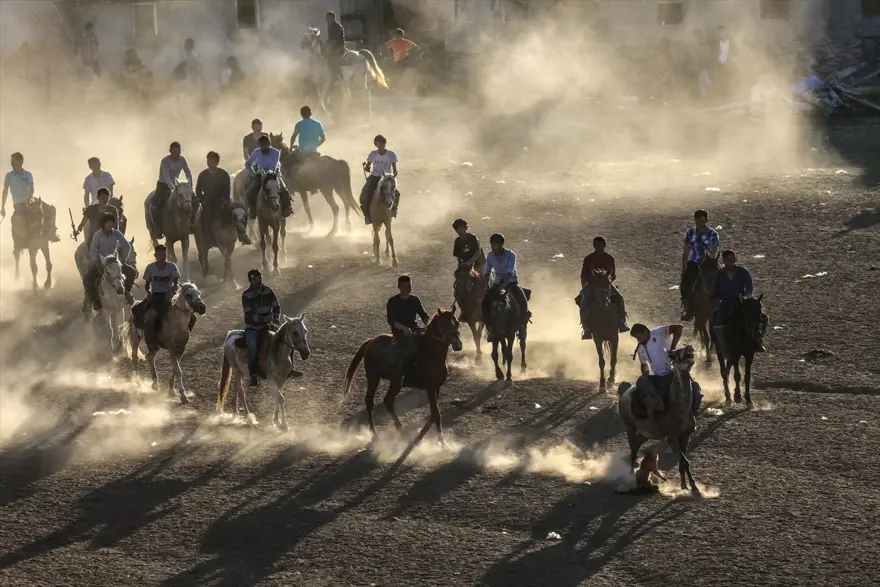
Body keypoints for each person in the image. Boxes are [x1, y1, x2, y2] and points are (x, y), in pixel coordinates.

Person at [630, 323, 701, 418]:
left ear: (645, 332)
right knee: (640, 382)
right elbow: (644, 364)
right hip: (657, 376)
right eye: (636, 338)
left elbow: (679, 327)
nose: (638, 340)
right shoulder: (640, 348)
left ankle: (692, 413)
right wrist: (645, 376)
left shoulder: (658, 332)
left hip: (673, 373)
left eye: (638, 337)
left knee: (695, 389)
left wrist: (673, 347)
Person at [710, 249, 766, 353]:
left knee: (762, 317)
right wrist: (715, 298)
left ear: (735, 260)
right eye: (726, 260)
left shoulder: (743, 272)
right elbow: (715, 289)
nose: (729, 262)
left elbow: (749, 287)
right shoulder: (720, 274)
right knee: (717, 321)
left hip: (741, 301)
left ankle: (758, 341)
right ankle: (720, 346)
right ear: (723, 261)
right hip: (725, 302)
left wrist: (745, 297)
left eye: (731, 260)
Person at [579, 236, 629, 339]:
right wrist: (584, 288)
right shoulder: (588, 259)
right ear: (594, 246)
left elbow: (613, 275)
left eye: (600, 245)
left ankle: (622, 322)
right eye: (597, 245)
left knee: (620, 299)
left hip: (607, 284)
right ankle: (586, 329)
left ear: (604, 245)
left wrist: (606, 282)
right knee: (584, 303)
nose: (598, 247)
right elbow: (583, 275)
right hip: (592, 285)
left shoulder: (610, 258)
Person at [482, 233, 530, 337]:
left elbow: (509, 273)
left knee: (521, 299)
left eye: (494, 244)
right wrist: (487, 286)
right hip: (498, 281)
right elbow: (487, 272)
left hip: (511, 281)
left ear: (501, 245)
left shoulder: (511, 255)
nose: (492, 247)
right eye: (491, 244)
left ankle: (522, 323)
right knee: (485, 301)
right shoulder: (490, 256)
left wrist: (501, 287)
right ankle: (489, 326)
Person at [195, 151, 249, 244]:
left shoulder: (223, 174)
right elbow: (198, 190)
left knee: (236, 213)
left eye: (213, 161)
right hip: (208, 202)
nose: (210, 163)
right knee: (205, 216)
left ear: (217, 162)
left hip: (221, 201)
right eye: (209, 160)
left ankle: (241, 234)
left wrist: (225, 200)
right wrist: (202, 199)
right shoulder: (203, 175)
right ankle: (206, 238)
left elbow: (227, 190)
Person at [86, 212, 136, 307]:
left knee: (131, 272)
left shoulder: (116, 233)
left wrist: (123, 259)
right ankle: (96, 302)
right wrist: (97, 263)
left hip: (114, 261)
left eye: (111, 222)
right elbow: (93, 250)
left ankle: (126, 293)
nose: (109, 225)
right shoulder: (97, 235)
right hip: (100, 262)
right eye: (107, 222)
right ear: (103, 224)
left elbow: (127, 246)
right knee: (88, 280)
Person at [242, 269, 281, 387]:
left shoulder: (269, 291)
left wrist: (275, 318)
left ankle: (289, 368)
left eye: (259, 278)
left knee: (284, 341)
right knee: (252, 347)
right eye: (255, 279)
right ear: (251, 280)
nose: (258, 280)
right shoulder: (246, 295)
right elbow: (248, 316)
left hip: (267, 326)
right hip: (252, 328)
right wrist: (263, 319)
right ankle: (253, 374)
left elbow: (276, 306)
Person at [680, 208, 719, 321]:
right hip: (695, 263)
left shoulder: (713, 233)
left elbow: (714, 250)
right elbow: (687, 250)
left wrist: (710, 258)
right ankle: (688, 310)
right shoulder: (690, 232)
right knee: (685, 286)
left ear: (706, 220)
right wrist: (684, 266)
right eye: (698, 220)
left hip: (709, 262)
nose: (700, 223)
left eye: (702, 220)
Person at [387, 274, 430, 373]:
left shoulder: (415, 299)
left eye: (409, 286)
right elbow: (391, 321)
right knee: (410, 347)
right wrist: (404, 328)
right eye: (405, 286)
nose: (407, 289)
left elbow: (423, 315)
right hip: (399, 332)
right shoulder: (393, 301)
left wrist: (428, 324)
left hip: (415, 329)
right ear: (399, 287)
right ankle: (403, 373)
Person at [142, 244, 181, 353]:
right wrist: (148, 293)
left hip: (170, 295)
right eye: (159, 254)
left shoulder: (172, 266)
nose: (162, 256)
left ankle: (183, 338)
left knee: (189, 316)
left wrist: (172, 290)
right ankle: (151, 344)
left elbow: (176, 283)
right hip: (156, 297)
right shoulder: (150, 268)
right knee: (149, 318)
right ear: (155, 255)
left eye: (164, 254)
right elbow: (147, 285)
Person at [151, 142, 193, 240]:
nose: (177, 153)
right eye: (175, 151)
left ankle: (192, 225)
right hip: (163, 185)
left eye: (179, 151)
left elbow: (188, 172)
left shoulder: (182, 160)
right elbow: (166, 176)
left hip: (176, 185)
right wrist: (173, 188)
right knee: (155, 207)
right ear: (170, 151)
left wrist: (190, 184)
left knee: (192, 201)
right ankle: (157, 229)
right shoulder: (165, 161)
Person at [244, 134, 291, 218]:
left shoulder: (276, 152)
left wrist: (268, 174)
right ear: (259, 145)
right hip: (260, 175)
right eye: (262, 145)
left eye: (266, 144)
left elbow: (273, 166)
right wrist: (253, 173)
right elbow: (248, 164)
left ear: (269, 144)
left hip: (274, 175)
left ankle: (286, 208)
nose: (264, 147)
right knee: (250, 192)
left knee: (285, 191)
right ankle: (253, 210)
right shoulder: (256, 152)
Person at [360, 135, 398, 224]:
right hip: (374, 177)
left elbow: (394, 169)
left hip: (386, 178)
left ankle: (393, 210)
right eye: (380, 143)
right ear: (376, 144)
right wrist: (366, 168)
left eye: (383, 143)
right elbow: (368, 166)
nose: (382, 145)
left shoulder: (391, 154)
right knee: (364, 195)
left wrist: (393, 175)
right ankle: (367, 215)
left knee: (396, 194)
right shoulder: (373, 154)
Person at [1, 152, 35, 228]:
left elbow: (32, 188)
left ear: (21, 162)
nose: (12, 163)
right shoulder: (9, 176)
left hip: (29, 200)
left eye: (14, 161)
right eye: (11, 161)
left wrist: (29, 199)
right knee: (23, 219)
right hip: (18, 203)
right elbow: (5, 191)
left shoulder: (28, 174)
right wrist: (2, 207)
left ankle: (51, 232)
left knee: (48, 209)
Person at [325, 11, 346, 85]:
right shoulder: (332, 26)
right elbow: (330, 39)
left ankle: (338, 76)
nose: (327, 19)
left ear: (332, 18)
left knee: (332, 60)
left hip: (338, 48)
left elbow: (335, 40)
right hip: (334, 47)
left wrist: (329, 47)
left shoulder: (336, 26)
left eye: (328, 18)